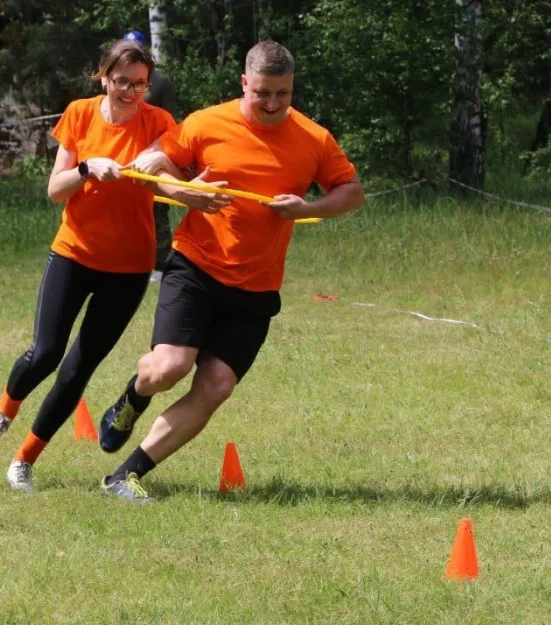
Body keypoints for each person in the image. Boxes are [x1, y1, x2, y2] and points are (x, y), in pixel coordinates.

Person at [96, 41, 366, 502]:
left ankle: (125, 475)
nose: (274, 104)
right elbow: (159, 162)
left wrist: (308, 208)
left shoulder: (313, 138)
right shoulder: (207, 123)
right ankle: (133, 398)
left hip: (257, 286)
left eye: (283, 93)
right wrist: (186, 193)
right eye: (263, 92)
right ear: (245, 82)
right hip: (197, 267)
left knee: (217, 385)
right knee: (169, 368)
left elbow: (352, 191)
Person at [0, 39, 177, 493]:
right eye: (122, 82)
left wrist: (157, 158)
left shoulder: (158, 121)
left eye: (140, 85)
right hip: (74, 254)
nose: (130, 92)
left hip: (129, 268)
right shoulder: (80, 114)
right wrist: (86, 168)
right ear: (104, 77)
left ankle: (24, 460)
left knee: (79, 368)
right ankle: (4, 411)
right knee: (45, 353)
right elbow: (55, 189)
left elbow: (169, 164)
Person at [123, 29, 177, 281]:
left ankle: (161, 264)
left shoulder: (162, 81)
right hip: (126, 153)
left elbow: (171, 125)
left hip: (154, 153)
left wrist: (162, 153)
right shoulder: (118, 78)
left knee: (158, 212)